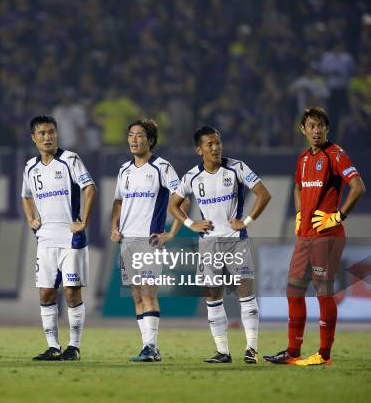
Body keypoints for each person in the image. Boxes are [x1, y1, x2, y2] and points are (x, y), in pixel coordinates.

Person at [264, 107, 365, 366]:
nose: (316, 130)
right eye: (311, 126)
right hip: (305, 236)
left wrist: (338, 216)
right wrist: (299, 213)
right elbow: (298, 186)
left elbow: (358, 187)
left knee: (323, 292)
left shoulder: (336, 155)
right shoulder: (303, 158)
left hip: (327, 235)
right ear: (303, 129)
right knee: (294, 290)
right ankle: (293, 352)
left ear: (327, 129)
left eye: (321, 125)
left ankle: (324, 354)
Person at [169, 126, 271, 364]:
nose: (215, 148)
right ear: (199, 150)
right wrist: (190, 223)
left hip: (236, 242)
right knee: (212, 297)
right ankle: (222, 352)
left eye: (218, 143)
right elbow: (173, 204)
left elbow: (263, 194)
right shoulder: (191, 177)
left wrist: (245, 221)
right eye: (209, 144)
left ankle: (251, 349)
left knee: (246, 294)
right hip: (208, 245)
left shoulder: (236, 167)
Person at [21, 115, 97, 361]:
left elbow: (90, 188)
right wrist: (31, 218)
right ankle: (53, 347)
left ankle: (74, 347)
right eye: (42, 133)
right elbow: (25, 195)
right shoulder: (30, 167)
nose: (47, 137)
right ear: (34, 138)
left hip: (71, 240)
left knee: (72, 293)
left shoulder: (70, 160)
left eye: (51, 132)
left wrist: (83, 222)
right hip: (45, 240)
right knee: (45, 293)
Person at [110, 118, 185, 362]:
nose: (133, 139)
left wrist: (172, 232)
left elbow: (183, 196)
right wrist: (114, 228)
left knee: (149, 293)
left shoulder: (162, 167)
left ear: (150, 140)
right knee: (137, 294)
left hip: (149, 239)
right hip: (128, 241)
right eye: (131, 134)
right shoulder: (124, 170)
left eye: (139, 135)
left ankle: (151, 347)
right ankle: (147, 347)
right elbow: (118, 201)